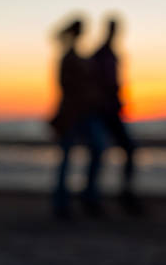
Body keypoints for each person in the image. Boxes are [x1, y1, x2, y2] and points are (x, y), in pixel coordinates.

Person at [49, 18, 106, 218]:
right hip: (72, 114)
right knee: (68, 157)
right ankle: (63, 202)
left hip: (85, 114)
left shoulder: (79, 57)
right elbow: (67, 88)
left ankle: (86, 196)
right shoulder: (68, 58)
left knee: (95, 150)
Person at [91, 17, 142, 214]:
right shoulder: (100, 55)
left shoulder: (112, 54)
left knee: (124, 150)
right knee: (100, 152)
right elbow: (98, 84)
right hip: (103, 111)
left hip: (112, 110)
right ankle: (94, 197)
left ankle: (124, 193)